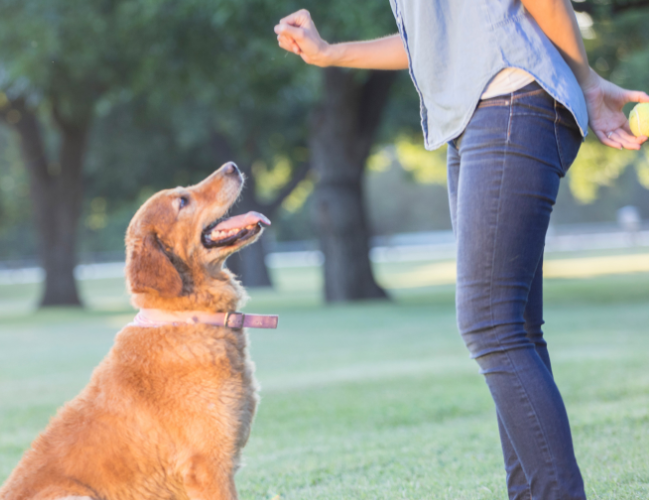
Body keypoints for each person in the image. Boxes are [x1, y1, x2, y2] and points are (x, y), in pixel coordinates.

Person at [273, 1, 648, 499]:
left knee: (489, 323)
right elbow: (431, 41)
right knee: (514, 328)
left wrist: (587, 79)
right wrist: (329, 53)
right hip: (475, 117)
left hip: (511, 99)